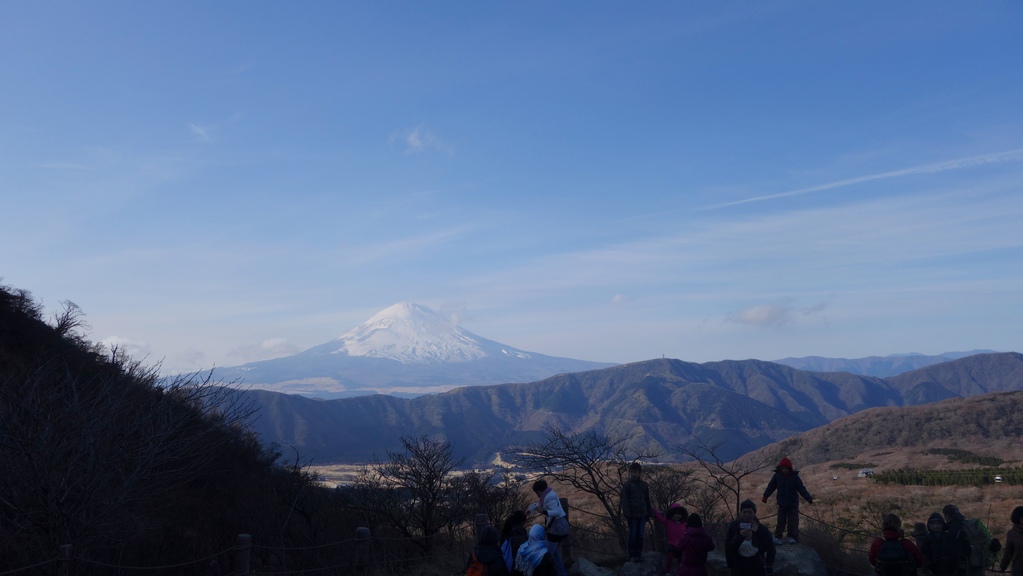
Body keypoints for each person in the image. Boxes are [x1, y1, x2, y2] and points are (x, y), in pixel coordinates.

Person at [761, 457, 813, 545]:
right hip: (782, 503)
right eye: (783, 468)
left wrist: (808, 498)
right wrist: (765, 496)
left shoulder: (794, 477)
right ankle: (778, 537)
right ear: (780, 468)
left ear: (789, 468)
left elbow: (801, 489)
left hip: (792, 504)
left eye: (786, 468)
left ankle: (791, 537)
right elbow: (771, 487)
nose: (784, 470)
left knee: (792, 522)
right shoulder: (777, 476)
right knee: (780, 521)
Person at [725, 499, 776, 576]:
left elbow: (770, 548)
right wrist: (741, 537)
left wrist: (757, 532)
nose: (747, 515)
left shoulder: (762, 529)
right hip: (739, 565)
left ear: (754, 513)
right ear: (741, 513)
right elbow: (729, 547)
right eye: (744, 512)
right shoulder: (734, 527)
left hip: (756, 564)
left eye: (750, 512)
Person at [530, 479, 569, 576]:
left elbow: (556, 512)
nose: (537, 495)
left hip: (556, 529)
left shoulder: (548, 497)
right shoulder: (549, 493)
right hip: (561, 527)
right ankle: (562, 573)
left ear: (541, 491)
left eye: (537, 492)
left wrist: (543, 511)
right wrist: (532, 509)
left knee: (547, 555)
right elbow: (544, 505)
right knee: (554, 552)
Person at [621, 462, 653, 562]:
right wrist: (627, 514)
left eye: (635, 472)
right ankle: (632, 555)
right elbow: (624, 500)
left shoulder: (644, 485)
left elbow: (647, 500)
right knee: (633, 535)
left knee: (640, 536)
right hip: (632, 515)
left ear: (639, 473)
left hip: (642, 514)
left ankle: (639, 554)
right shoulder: (627, 485)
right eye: (632, 472)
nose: (633, 474)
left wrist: (649, 512)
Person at [942, 504, 985, 576]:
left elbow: (953, 553)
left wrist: (949, 571)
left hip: (964, 569)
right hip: (978, 565)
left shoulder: (954, 529)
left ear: (947, 516)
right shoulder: (969, 524)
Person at [652, 503, 689, 576]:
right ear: (672, 514)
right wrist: (655, 510)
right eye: (675, 514)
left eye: (679, 514)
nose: (677, 516)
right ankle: (667, 572)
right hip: (672, 543)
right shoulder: (668, 522)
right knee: (670, 557)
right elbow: (660, 518)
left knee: (681, 559)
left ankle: (680, 572)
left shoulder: (684, 523)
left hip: (682, 545)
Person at [919, 512, 958, 576]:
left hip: (948, 566)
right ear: (930, 525)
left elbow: (953, 551)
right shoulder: (928, 538)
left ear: (942, 524)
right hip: (934, 566)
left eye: (938, 523)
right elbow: (924, 552)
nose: (936, 526)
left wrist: (952, 563)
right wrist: (929, 564)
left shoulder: (947, 536)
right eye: (933, 524)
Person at [501, 510, 529, 574]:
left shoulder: (508, 529)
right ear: (522, 521)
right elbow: (522, 550)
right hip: (516, 566)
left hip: (507, 563)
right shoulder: (519, 532)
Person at [1000, 506, 1023, 576]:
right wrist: (1002, 567)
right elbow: (1008, 553)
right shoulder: (1012, 534)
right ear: (1018, 518)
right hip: (1019, 571)